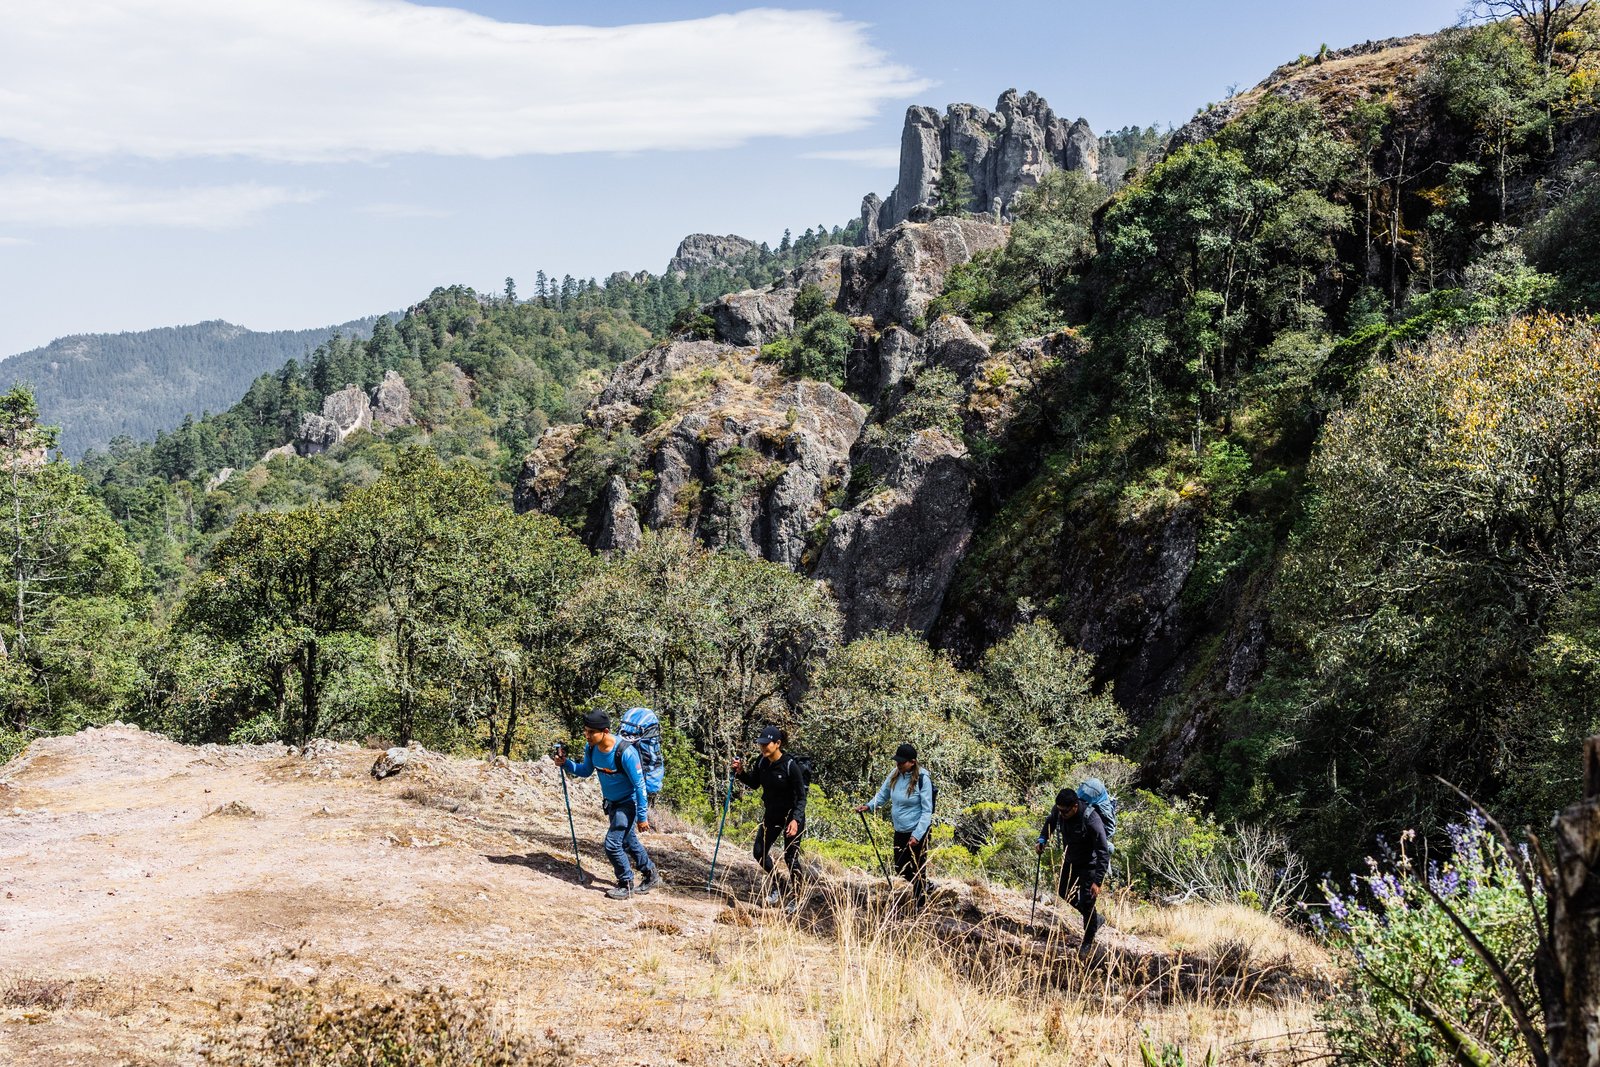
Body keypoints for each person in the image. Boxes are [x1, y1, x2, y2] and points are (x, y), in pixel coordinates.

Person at [550, 709, 661, 900]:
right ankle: (651, 874)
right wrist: (566, 763)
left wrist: (642, 817)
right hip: (612, 803)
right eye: (585, 731)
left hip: (628, 803)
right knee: (628, 841)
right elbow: (585, 771)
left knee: (612, 844)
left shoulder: (626, 752)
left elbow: (640, 786)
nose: (587, 735)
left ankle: (625, 883)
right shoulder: (592, 748)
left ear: (606, 731)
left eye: (591, 732)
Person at [733, 725, 807, 910]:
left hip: (792, 816)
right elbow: (755, 784)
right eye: (761, 744)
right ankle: (779, 884)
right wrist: (741, 773)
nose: (763, 747)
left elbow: (801, 797)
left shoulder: (791, 766)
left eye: (767, 744)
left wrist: (795, 820)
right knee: (759, 852)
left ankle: (797, 897)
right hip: (772, 814)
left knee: (790, 858)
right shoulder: (762, 762)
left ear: (778, 743)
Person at [855, 742, 934, 910]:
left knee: (918, 868)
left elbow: (927, 811)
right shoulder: (895, 774)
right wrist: (869, 806)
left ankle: (919, 906)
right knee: (900, 867)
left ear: (912, 762)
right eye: (897, 761)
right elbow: (883, 794)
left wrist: (917, 835)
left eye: (902, 762)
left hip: (917, 831)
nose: (898, 764)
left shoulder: (923, 779)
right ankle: (926, 887)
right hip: (900, 830)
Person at [1037, 787, 1110, 955]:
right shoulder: (1060, 809)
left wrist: (1097, 881)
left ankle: (1087, 943)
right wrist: (1042, 839)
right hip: (1070, 861)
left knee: (1087, 901)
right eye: (1059, 810)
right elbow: (1050, 822)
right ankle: (1094, 920)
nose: (1061, 814)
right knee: (1063, 892)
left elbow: (1103, 852)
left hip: (1089, 865)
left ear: (1075, 806)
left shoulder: (1091, 819)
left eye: (1065, 811)